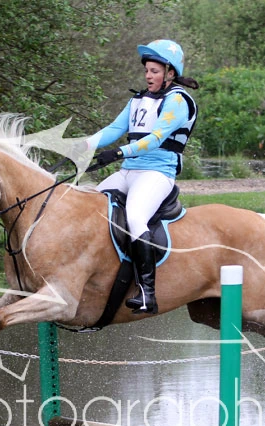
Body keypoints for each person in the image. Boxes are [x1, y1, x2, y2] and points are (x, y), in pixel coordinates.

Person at [86, 39, 199, 315]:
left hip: (156, 174)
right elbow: (114, 129)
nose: (148, 76)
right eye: (147, 70)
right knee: (87, 205)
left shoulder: (178, 101)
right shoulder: (138, 99)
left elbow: (156, 138)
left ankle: (147, 293)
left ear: (170, 73)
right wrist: (84, 145)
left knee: (136, 218)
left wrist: (118, 152)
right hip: (128, 172)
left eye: (154, 71)